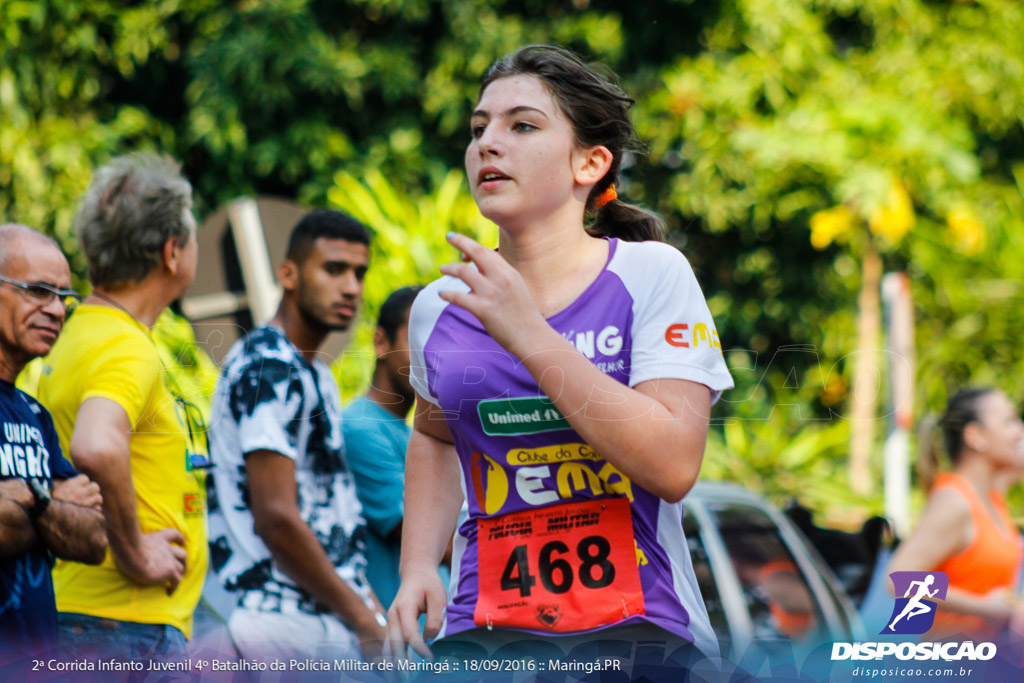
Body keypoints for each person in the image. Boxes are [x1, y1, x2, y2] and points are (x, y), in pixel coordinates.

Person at [387, 45, 734, 671]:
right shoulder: (439, 307)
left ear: (590, 163)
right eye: (478, 127)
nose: (489, 143)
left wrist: (529, 334)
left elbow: (674, 462)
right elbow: (435, 438)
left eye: (521, 125)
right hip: (484, 634)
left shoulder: (653, 275)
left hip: (640, 633)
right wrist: (417, 568)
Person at [36, 155, 207, 662]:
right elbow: (96, 443)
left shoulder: (74, 336)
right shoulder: (125, 346)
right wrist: (134, 553)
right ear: (173, 253)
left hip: (88, 620)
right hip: (128, 629)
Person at [207, 210, 387, 661]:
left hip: (325, 619)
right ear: (288, 273)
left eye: (359, 273)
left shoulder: (315, 373)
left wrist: (368, 610)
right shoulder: (268, 367)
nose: (351, 287)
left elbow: (329, 509)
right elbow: (277, 518)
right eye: (333, 269)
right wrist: (363, 619)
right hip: (281, 620)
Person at [0, 225, 107, 663]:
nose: (57, 310)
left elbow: (93, 539)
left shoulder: (34, 413)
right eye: (38, 291)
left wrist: (30, 497)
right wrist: (55, 502)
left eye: (64, 297)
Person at [887, 387, 1024, 639]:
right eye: (1009, 421)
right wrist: (983, 608)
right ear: (976, 436)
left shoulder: (991, 496)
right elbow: (899, 578)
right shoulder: (954, 500)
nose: (1019, 431)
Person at [342, 286, 423, 610]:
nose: (428, 351)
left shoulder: (411, 434)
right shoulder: (360, 427)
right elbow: (429, 539)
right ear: (380, 341)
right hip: (404, 645)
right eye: (415, 336)